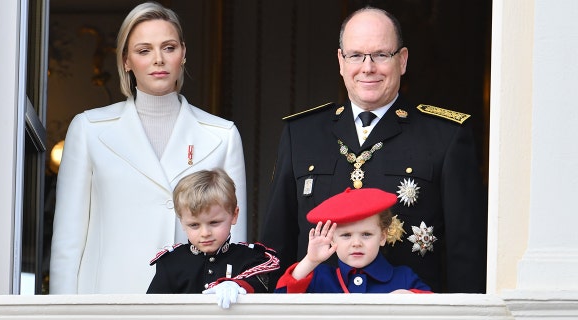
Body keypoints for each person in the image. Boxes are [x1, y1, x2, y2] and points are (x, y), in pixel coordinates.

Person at [261, 6, 486, 293]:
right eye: (356, 55)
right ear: (341, 61)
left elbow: (465, 252)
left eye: (381, 55)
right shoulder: (301, 134)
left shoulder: (446, 136)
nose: (368, 67)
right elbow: (275, 244)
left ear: (402, 61)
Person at [49, 2, 247, 294]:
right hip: (108, 302)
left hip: (191, 304)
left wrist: (232, 291)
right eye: (144, 50)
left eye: (168, 48)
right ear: (126, 60)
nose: (158, 59)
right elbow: (68, 240)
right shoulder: (89, 129)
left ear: (183, 54)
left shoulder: (223, 135)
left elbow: (235, 240)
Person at [147, 169, 279, 308]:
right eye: (194, 225)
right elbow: (152, 310)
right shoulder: (171, 263)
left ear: (234, 215)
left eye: (214, 223)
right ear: (182, 223)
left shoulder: (251, 258)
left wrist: (237, 284)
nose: (205, 233)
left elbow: (266, 291)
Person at [275, 188, 431, 294]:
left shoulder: (403, 277)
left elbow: (434, 310)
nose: (356, 243)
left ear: (383, 237)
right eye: (346, 235)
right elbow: (280, 300)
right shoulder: (319, 277)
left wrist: (409, 297)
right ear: (332, 238)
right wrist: (310, 260)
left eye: (366, 234)